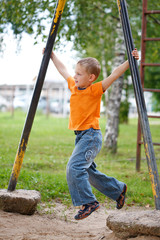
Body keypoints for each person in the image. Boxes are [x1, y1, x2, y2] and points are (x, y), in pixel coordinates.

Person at [43, 48, 139, 220]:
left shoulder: (95, 90)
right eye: (76, 73)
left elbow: (114, 74)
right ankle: (118, 190)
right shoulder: (73, 85)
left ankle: (89, 202)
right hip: (81, 137)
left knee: (74, 167)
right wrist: (52, 55)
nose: (75, 76)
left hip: (91, 136)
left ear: (91, 78)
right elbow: (63, 69)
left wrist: (130, 60)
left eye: (79, 73)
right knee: (86, 171)